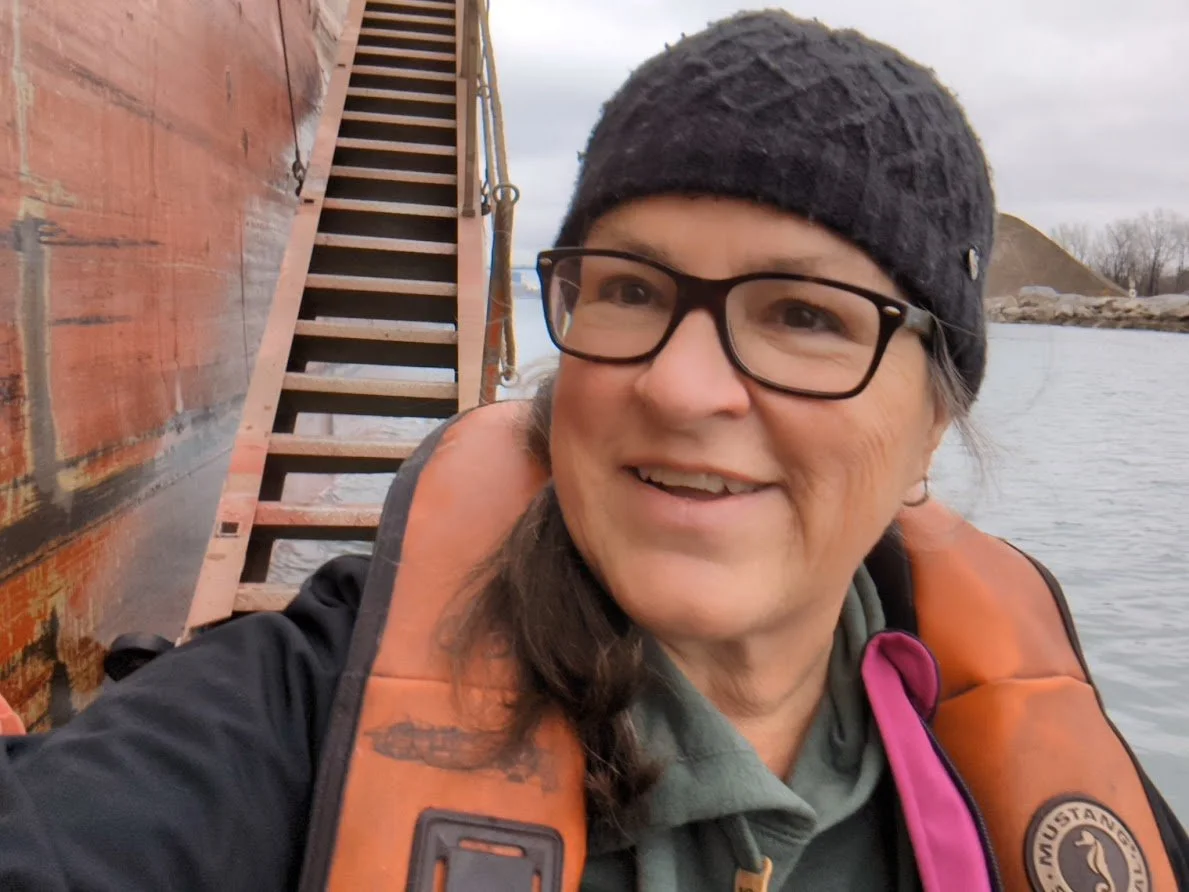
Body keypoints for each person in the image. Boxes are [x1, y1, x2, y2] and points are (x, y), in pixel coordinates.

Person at [1, 9, 1186, 892]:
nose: (677, 384)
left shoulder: (1048, 770)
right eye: (627, 289)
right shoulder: (299, 712)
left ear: (934, 418)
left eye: (804, 315)